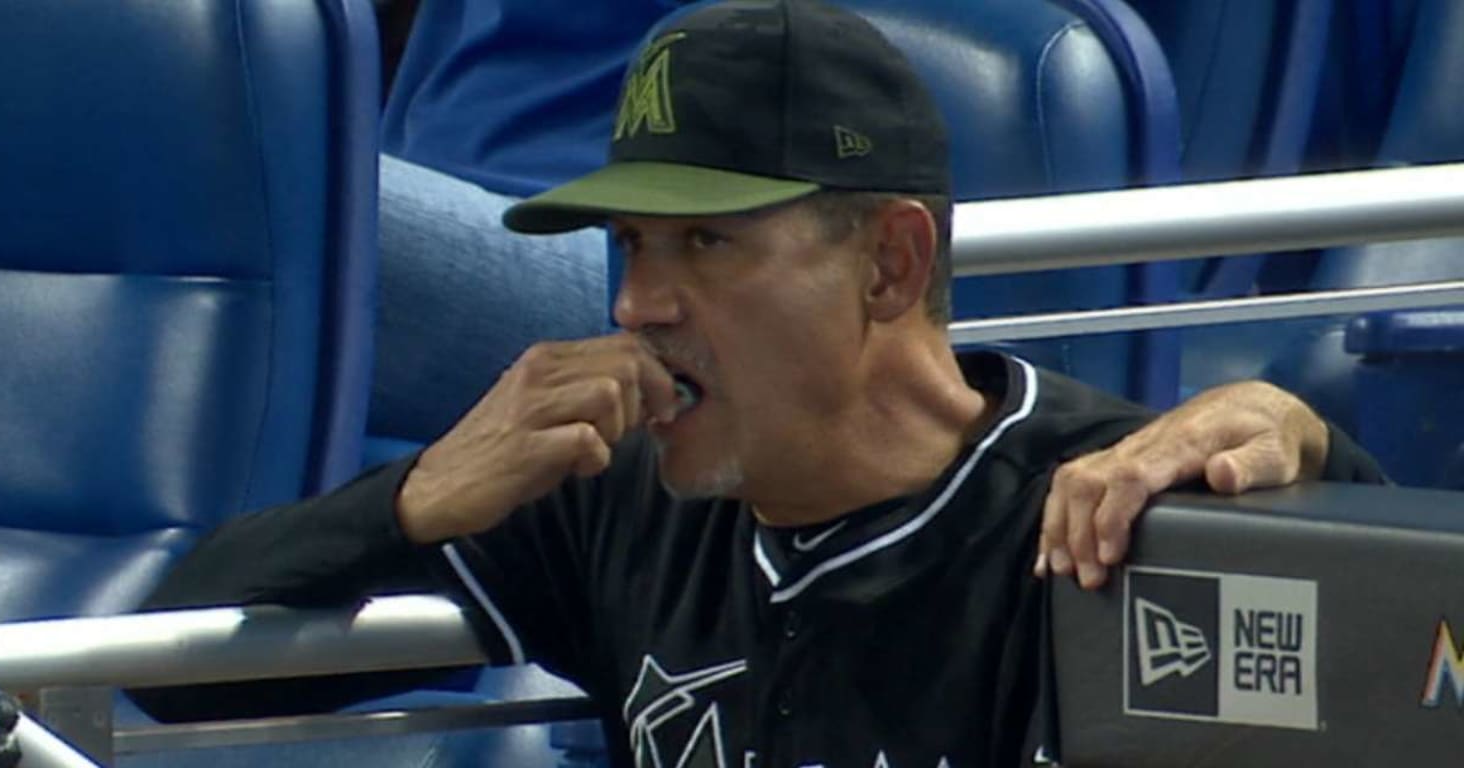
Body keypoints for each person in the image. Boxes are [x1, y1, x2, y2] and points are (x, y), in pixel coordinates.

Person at [132, 2, 1383, 766]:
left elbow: (1410, 672)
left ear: (890, 263)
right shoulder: (618, 495)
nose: (635, 306)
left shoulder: (1099, 511)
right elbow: (166, 672)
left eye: (707, 245)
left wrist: (1317, 456)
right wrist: (413, 500)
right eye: (628, 247)